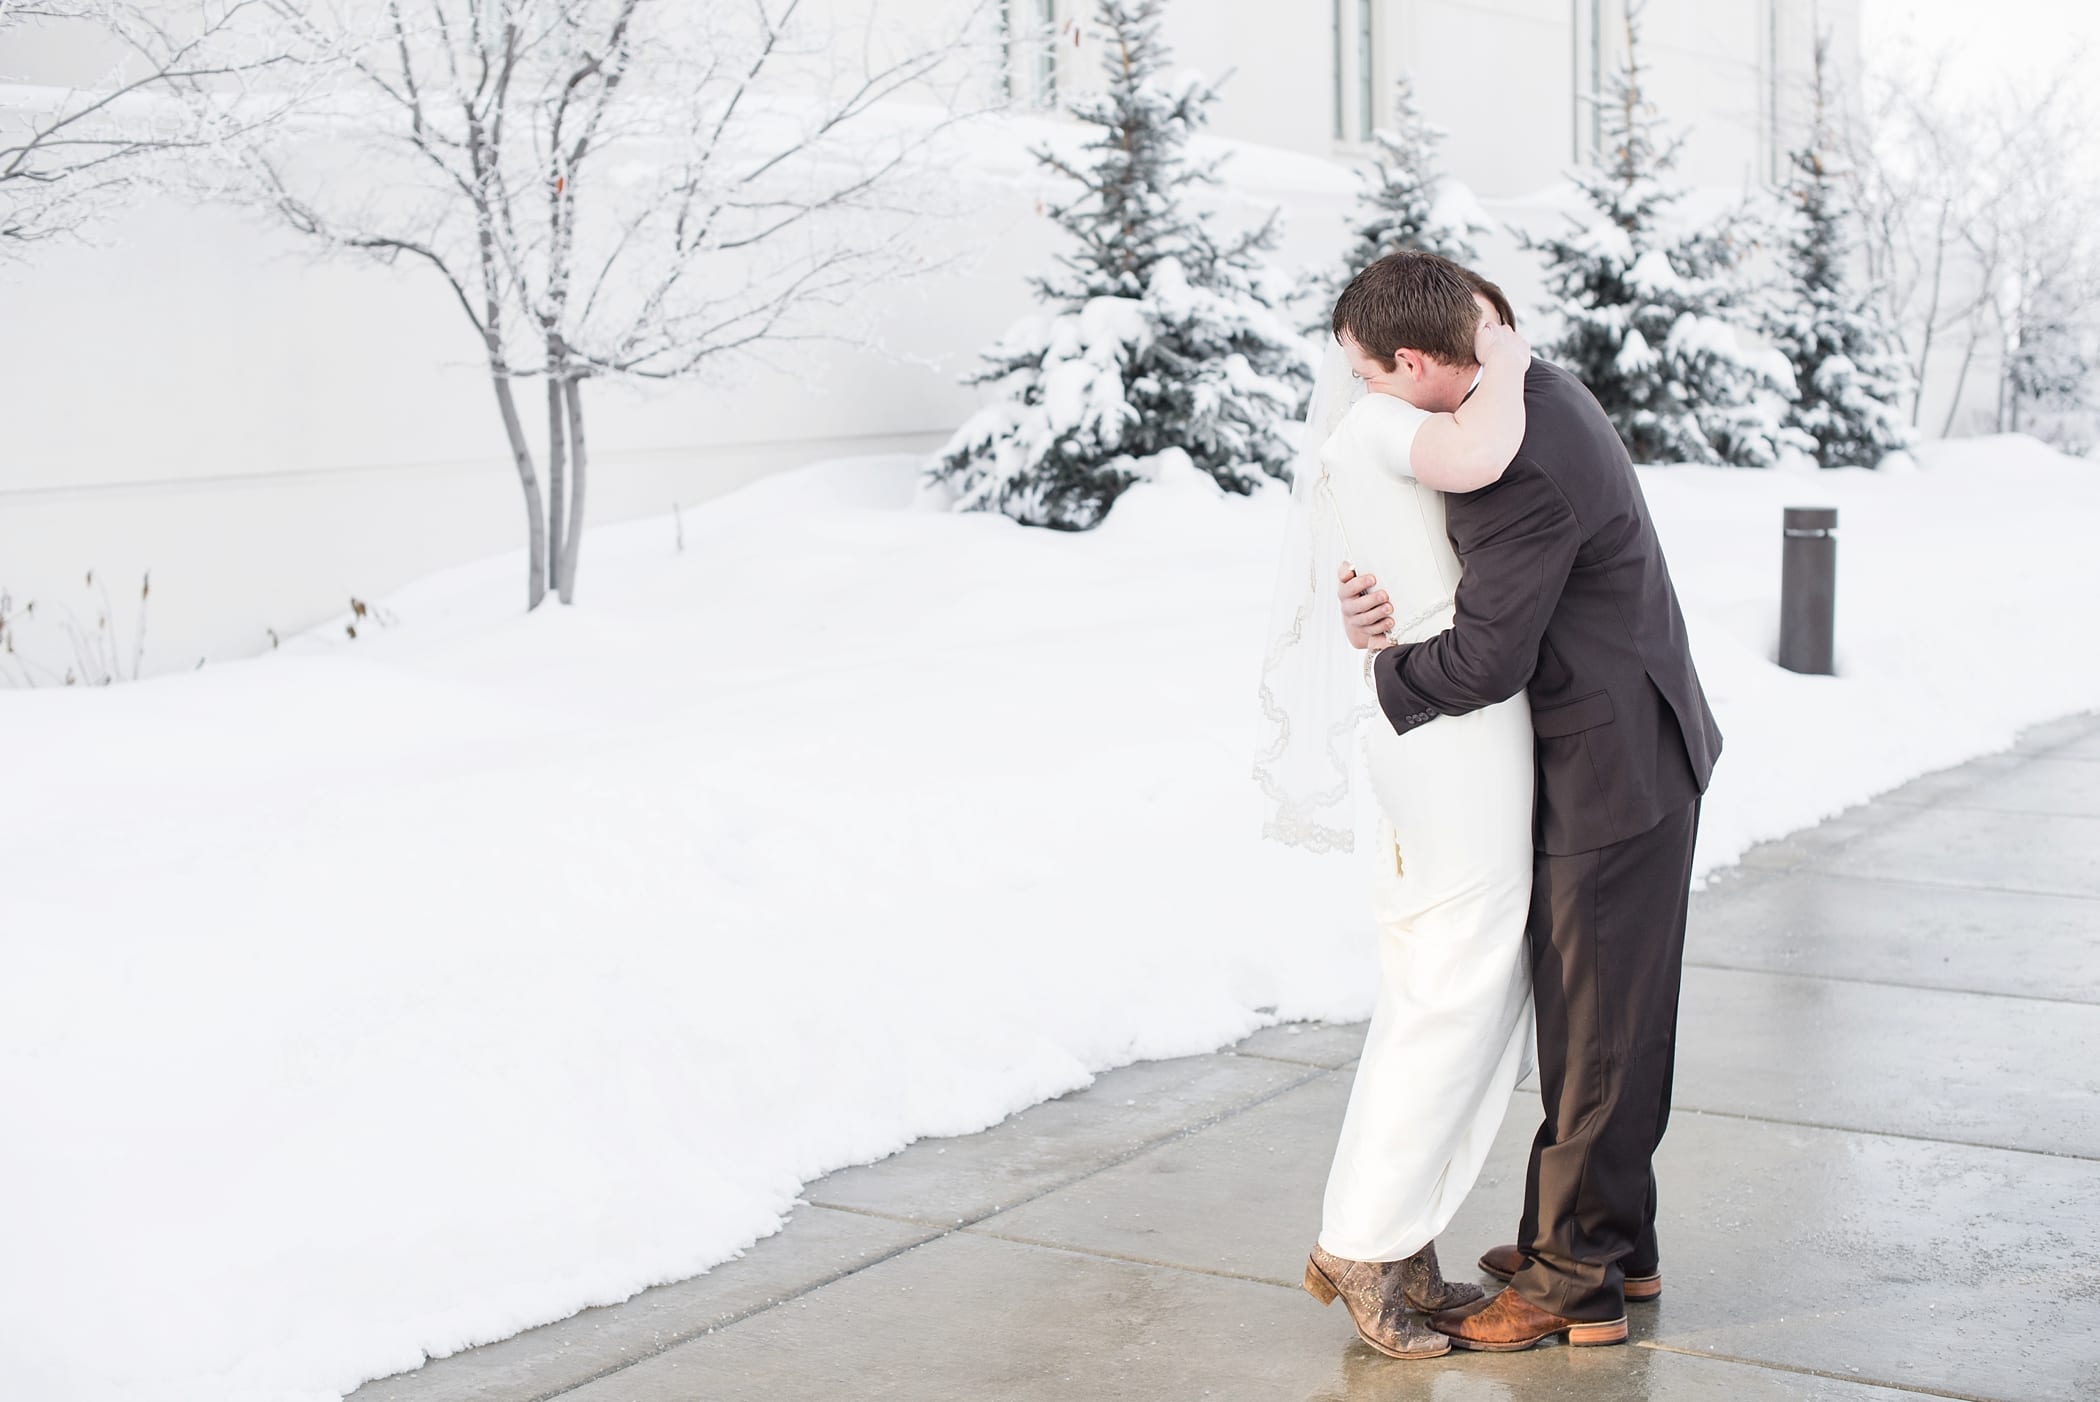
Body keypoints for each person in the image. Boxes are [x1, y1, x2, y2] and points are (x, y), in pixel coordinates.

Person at [1333, 251, 1723, 1353]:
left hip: (1611, 768)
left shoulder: (1517, 466)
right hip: (1629, 743)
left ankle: (1572, 1279)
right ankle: (1618, 1241)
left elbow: (1487, 659)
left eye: (1368, 375)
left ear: (1416, 362)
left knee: (1598, 1032)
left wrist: (1378, 673)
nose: (1363, 394)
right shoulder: (1525, 391)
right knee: (1608, 1015)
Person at [1255, 254, 1538, 1361]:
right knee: (1450, 985)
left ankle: (1401, 1233)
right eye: (1455, 349)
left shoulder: (1372, 433)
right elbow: (1481, 449)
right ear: (1411, 364)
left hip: (1448, 721)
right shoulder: (1380, 424)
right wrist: (1510, 361)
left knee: (1457, 979)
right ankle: (1364, 1241)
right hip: (1449, 734)